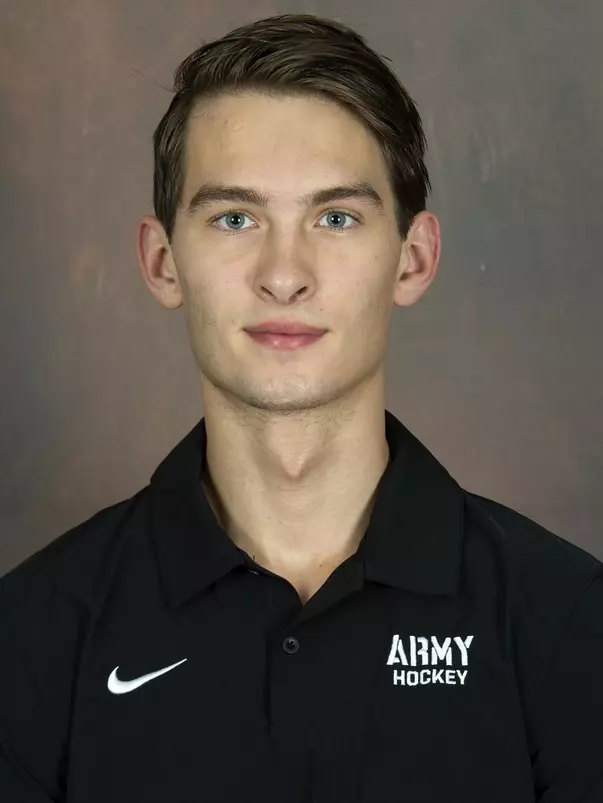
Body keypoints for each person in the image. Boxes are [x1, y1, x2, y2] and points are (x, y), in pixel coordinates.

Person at [1, 12, 601, 803]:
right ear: (162, 260)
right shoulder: (29, 635)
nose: (284, 274)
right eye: (235, 218)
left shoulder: (570, 623)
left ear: (412, 259)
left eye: (335, 217)